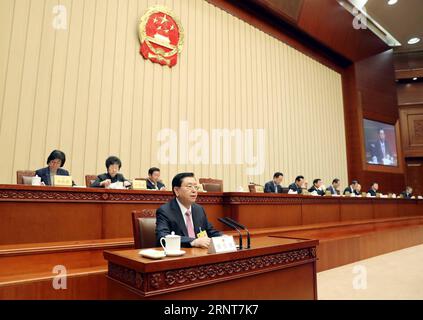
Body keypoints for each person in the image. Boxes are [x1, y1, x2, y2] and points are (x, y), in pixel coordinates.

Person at [155, 172, 222, 248]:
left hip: (200, 254)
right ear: (176, 190)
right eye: (189, 186)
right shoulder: (165, 211)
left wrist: (222, 237)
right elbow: (162, 237)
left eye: (196, 187)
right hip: (179, 256)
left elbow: (209, 231)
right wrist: (193, 241)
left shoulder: (199, 209)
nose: (194, 191)